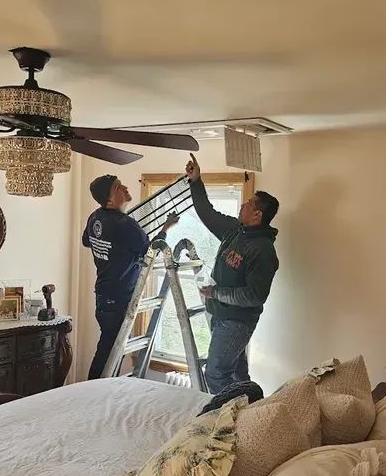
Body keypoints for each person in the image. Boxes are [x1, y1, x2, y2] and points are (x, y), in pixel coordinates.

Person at [185, 153, 279, 394]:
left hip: (237, 322)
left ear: (258, 215)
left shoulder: (263, 250)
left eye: (249, 203)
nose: (243, 205)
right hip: (222, 316)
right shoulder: (235, 230)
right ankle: (254, 417)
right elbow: (207, 213)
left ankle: (234, 420)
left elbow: (254, 296)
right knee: (237, 376)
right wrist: (196, 181)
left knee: (216, 375)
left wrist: (216, 292)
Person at [83, 174, 179, 380]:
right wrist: (166, 228)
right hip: (119, 297)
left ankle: (96, 393)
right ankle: (93, 395)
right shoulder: (125, 224)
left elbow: (87, 241)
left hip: (103, 295)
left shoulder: (95, 217)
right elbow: (151, 250)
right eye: (118, 187)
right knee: (109, 354)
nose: (125, 187)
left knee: (108, 351)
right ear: (109, 198)